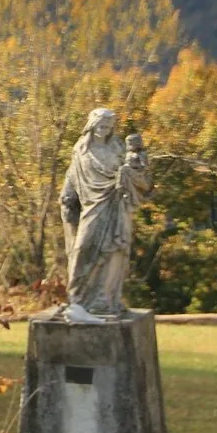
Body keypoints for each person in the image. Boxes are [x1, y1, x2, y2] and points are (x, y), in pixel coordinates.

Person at [60, 108, 150, 322]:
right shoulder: (81, 149)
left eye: (109, 127)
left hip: (116, 204)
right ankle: (78, 299)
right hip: (92, 207)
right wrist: (66, 196)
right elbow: (72, 174)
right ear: (92, 125)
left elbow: (137, 173)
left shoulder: (118, 147)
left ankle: (104, 299)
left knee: (113, 252)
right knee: (83, 248)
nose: (105, 130)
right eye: (101, 125)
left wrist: (133, 172)